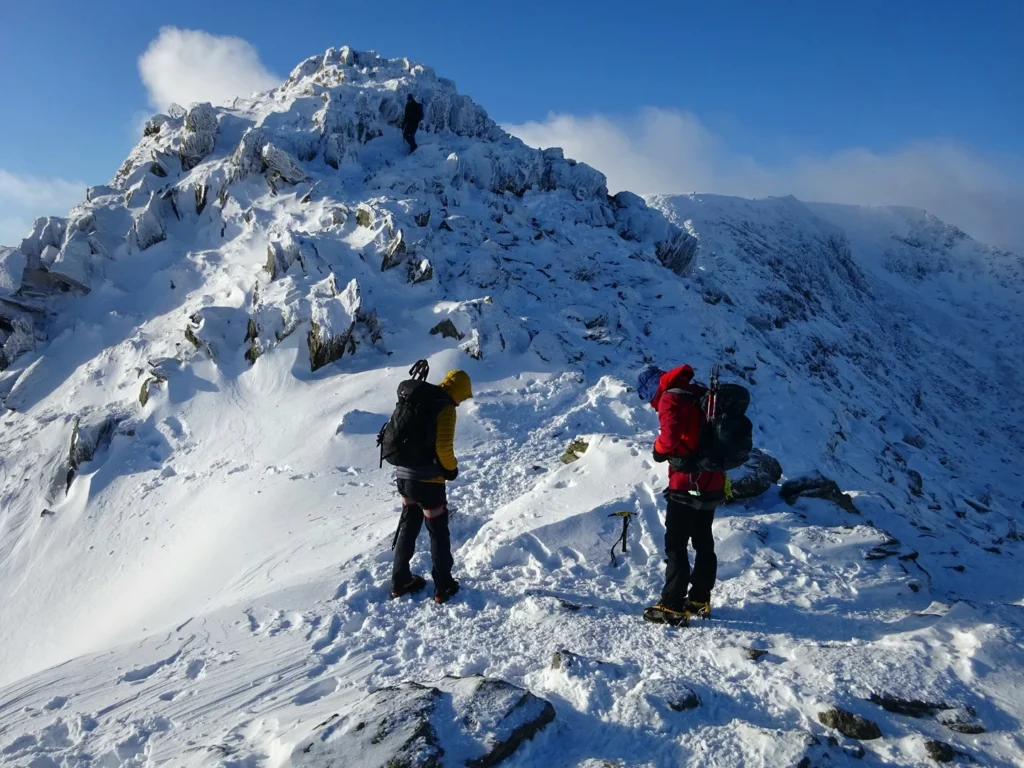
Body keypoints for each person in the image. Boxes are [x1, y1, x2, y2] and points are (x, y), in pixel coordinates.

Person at [638, 364, 726, 625]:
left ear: (651, 387)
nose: (650, 403)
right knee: (703, 541)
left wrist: (658, 448)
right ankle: (699, 599)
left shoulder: (670, 397)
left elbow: (670, 436)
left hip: (687, 481)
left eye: (646, 395)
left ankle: (672, 606)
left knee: (676, 544)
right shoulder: (698, 391)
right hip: (712, 480)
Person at [391, 369, 472, 603]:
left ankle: (400, 581)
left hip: (404, 476)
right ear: (458, 390)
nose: (461, 401)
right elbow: (443, 447)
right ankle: (444, 585)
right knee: (438, 532)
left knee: (409, 526)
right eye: (463, 396)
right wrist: (451, 469)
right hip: (428, 482)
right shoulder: (444, 407)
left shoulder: (419, 401)